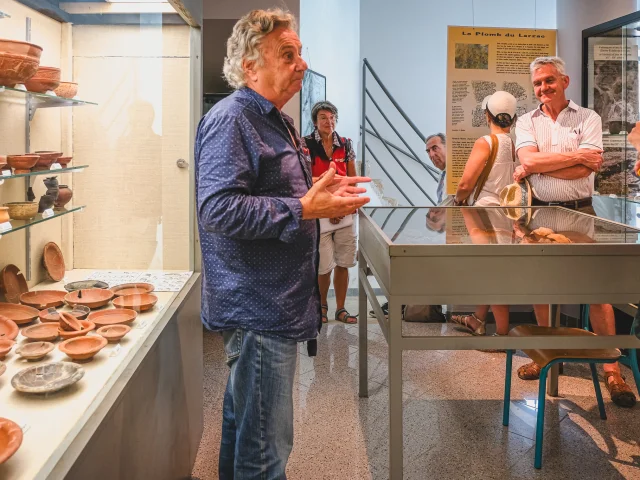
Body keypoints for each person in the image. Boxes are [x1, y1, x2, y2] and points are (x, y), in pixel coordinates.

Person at [195, 9, 371, 478]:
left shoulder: (276, 120)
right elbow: (217, 210)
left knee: (244, 430)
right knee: (266, 452)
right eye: (287, 55)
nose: (301, 64)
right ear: (250, 66)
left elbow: (276, 194)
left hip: (272, 304)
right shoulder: (232, 120)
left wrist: (321, 197)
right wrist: (303, 209)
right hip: (258, 308)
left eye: (300, 54)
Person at [514, 55, 636, 407]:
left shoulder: (588, 118)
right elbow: (531, 161)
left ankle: (612, 369)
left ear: (565, 81)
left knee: (595, 292)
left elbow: (585, 170)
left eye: (549, 80)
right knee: (541, 289)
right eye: (537, 83)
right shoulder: (527, 121)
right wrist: (574, 159)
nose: (543, 88)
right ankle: (545, 357)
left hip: (581, 213)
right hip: (538, 216)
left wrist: (540, 167)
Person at [449, 91, 519, 338]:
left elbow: (466, 184)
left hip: (485, 213)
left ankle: (501, 335)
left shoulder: (486, 142)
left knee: (492, 274)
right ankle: (478, 319)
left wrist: (457, 201)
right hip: (507, 214)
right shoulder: (516, 145)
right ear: (513, 117)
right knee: (496, 269)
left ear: (487, 115)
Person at [303, 101, 358, 324]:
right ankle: (322, 306)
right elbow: (305, 181)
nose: (329, 121)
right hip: (319, 213)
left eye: (333, 116)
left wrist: (341, 206)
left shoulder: (345, 144)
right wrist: (330, 207)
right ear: (315, 122)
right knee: (323, 264)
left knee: (344, 262)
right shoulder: (305, 144)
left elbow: (352, 180)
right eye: (324, 117)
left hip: (344, 212)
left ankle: (341, 308)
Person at [425, 132, 449, 204]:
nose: (431, 155)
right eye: (428, 151)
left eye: (435, 148)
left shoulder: (456, 172)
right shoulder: (442, 174)